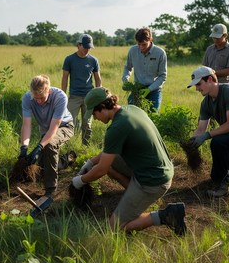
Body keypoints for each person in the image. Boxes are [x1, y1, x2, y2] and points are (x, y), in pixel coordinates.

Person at [71, 87, 186, 235]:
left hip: (153, 181)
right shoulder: (131, 110)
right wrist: (90, 162)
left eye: (94, 114)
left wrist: (80, 180)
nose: (96, 119)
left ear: (102, 108)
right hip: (160, 168)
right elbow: (107, 156)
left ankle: (167, 215)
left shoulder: (116, 128)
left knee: (114, 228)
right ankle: (133, 195)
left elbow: (102, 169)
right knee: (110, 163)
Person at [186, 66, 229, 197]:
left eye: (198, 84)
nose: (197, 89)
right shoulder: (206, 103)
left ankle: (223, 186)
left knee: (218, 142)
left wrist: (206, 136)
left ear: (209, 79)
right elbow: (201, 129)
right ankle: (224, 176)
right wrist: (193, 141)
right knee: (225, 172)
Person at [19, 75, 74, 197]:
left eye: (42, 98)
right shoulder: (27, 98)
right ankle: (67, 159)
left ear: (48, 91)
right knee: (42, 170)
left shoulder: (60, 97)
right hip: (46, 131)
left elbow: (54, 128)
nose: (38, 101)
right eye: (36, 98)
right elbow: (26, 125)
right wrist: (24, 148)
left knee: (49, 145)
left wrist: (39, 147)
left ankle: (50, 189)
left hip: (64, 126)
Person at [61, 33, 102, 145]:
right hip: (74, 97)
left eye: (89, 47)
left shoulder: (93, 60)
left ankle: (85, 147)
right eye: (85, 47)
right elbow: (65, 78)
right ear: (78, 45)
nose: (87, 49)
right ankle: (68, 146)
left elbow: (98, 79)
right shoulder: (69, 59)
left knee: (87, 124)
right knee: (69, 123)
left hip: (89, 97)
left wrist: (98, 96)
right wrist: (63, 96)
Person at [122, 27, 167, 111]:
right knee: (133, 114)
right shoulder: (132, 51)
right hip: (137, 89)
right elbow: (127, 68)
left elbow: (162, 76)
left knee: (153, 115)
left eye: (144, 44)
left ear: (150, 40)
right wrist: (125, 80)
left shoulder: (160, 53)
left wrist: (149, 89)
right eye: (139, 44)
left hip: (154, 90)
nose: (141, 47)